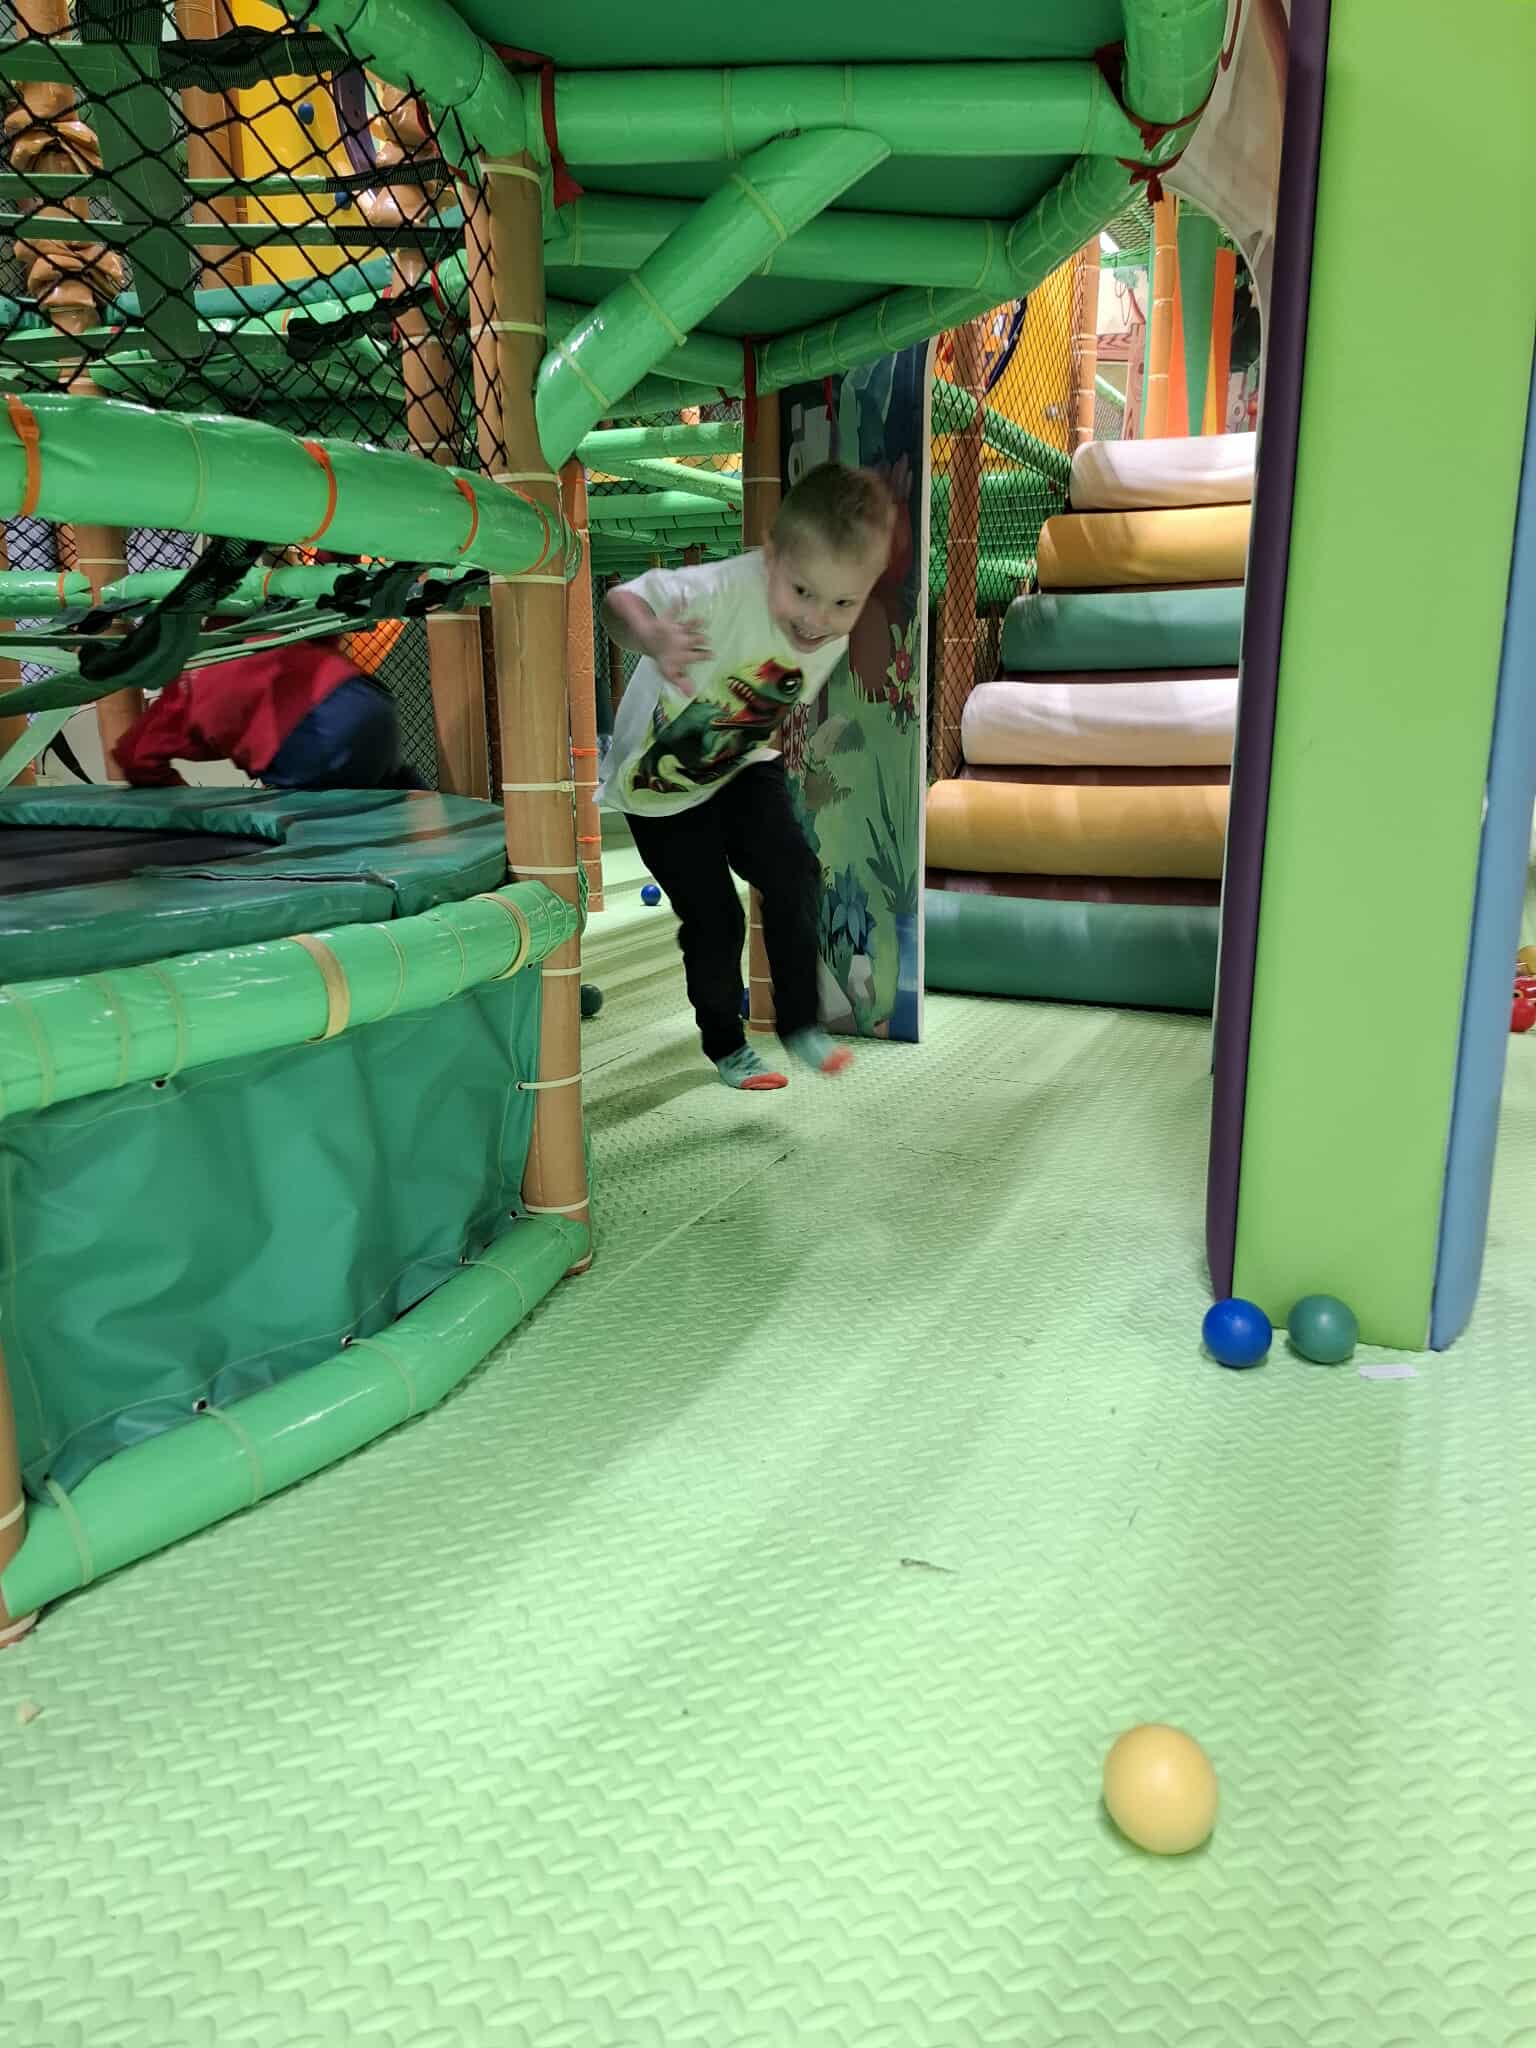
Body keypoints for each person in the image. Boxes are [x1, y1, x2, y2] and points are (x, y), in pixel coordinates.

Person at [599, 461, 894, 1091]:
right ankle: (727, 1045)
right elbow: (617, 603)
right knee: (716, 920)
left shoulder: (829, 634)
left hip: (739, 764)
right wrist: (652, 635)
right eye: (802, 592)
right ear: (770, 557)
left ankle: (801, 1023)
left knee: (794, 871)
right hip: (658, 792)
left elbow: (766, 698)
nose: (817, 619)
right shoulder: (719, 591)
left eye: (844, 602)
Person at [114, 632, 422, 791]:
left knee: (314, 813)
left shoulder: (178, 699)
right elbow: (324, 627)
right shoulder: (255, 633)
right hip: (368, 699)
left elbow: (133, 756)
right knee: (384, 786)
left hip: (310, 735)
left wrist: (186, 803)